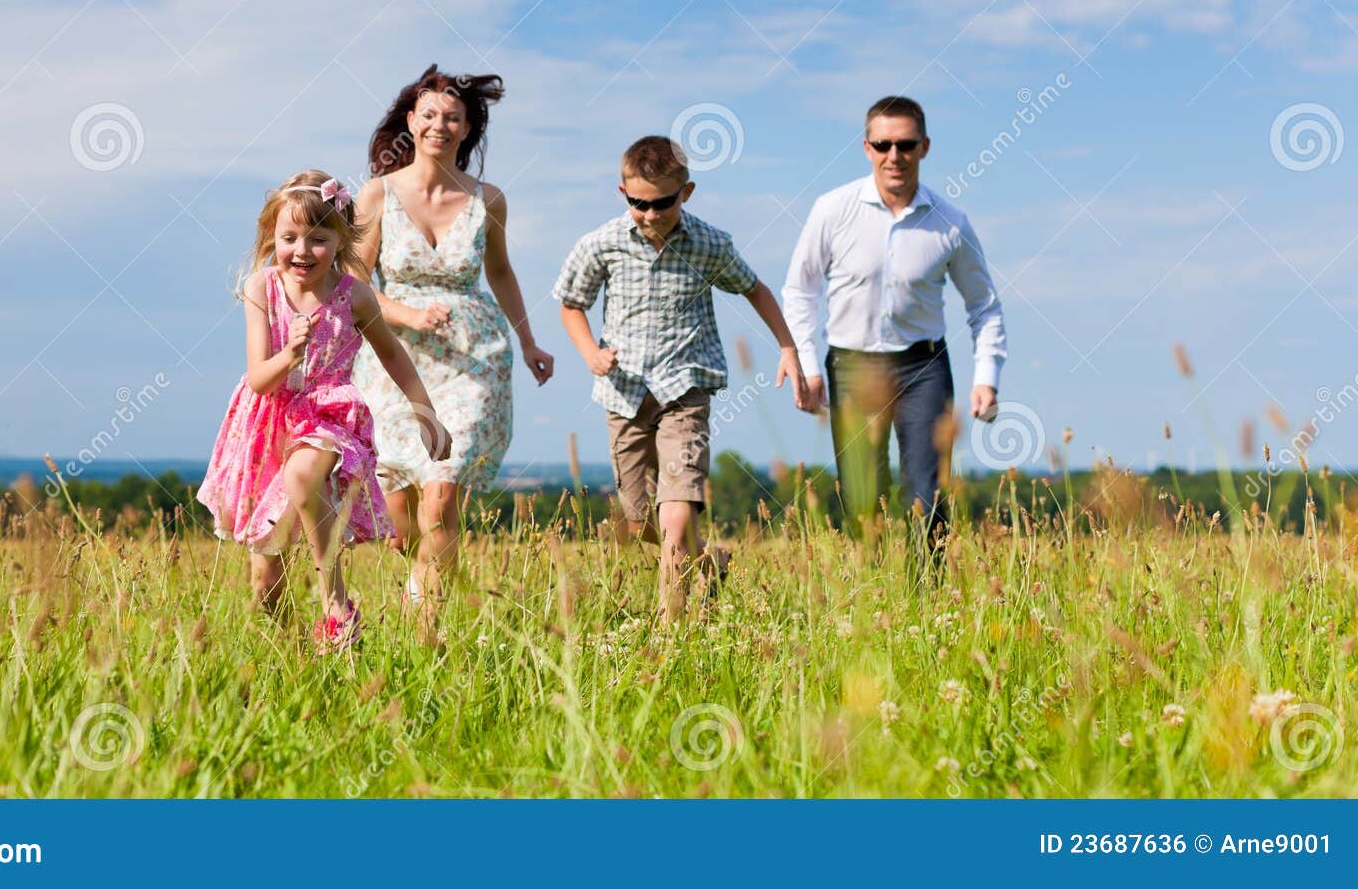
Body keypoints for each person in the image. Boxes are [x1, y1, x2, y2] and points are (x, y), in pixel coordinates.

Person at [198, 170, 451, 652]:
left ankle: (335, 602)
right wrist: (288, 355)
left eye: (318, 239)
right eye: (289, 238)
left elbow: (393, 353)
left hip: (327, 414)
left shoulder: (353, 295)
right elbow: (258, 379)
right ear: (271, 236)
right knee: (265, 577)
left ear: (342, 240)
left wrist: (425, 411)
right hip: (267, 422)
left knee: (303, 475)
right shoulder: (261, 288)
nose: (301, 250)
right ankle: (299, 652)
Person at [553, 135, 804, 620]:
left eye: (662, 202)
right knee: (636, 517)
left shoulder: (710, 243)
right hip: (623, 392)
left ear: (686, 192)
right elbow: (570, 304)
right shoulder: (601, 243)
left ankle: (673, 626)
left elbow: (756, 289)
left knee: (678, 502)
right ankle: (709, 558)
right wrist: (590, 352)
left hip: (685, 389)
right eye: (638, 203)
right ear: (621, 192)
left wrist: (787, 347)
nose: (650, 214)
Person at [351, 65, 553, 604]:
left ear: (467, 130)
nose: (440, 125)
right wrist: (407, 315)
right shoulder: (376, 195)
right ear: (412, 121)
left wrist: (529, 341)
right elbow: (354, 279)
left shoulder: (489, 199)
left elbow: (502, 272)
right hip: (393, 359)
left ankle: (429, 635)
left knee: (441, 501)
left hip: (473, 358)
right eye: (431, 115)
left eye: (454, 118)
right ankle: (446, 587)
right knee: (403, 528)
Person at [780, 96, 1006, 558]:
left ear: (924, 147)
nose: (894, 156)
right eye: (883, 144)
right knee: (862, 493)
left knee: (928, 494)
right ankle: (871, 595)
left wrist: (987, 378)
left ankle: (924, 603)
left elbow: (983, 304)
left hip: (922, 368)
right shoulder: (832, 209)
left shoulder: (951, 223)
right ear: (867, 148)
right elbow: (799, 290)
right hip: (850, 364)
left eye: (905, 145)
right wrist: (807, 365)